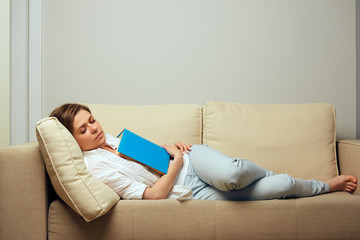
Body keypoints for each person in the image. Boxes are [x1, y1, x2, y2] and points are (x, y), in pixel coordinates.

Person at [50, 103, 357, 200]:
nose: (94, 128)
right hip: (188, 188)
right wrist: (176, 163)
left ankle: (263, 172)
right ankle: (326, 185)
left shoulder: (113, 141)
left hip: (195, 160)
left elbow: (153, 154)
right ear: (71, 139)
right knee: (282, 185)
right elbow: (154, 196)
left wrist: (172, 148)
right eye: (83, 129)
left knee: (233, 172)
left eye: (91, 120)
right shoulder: (94, 168)